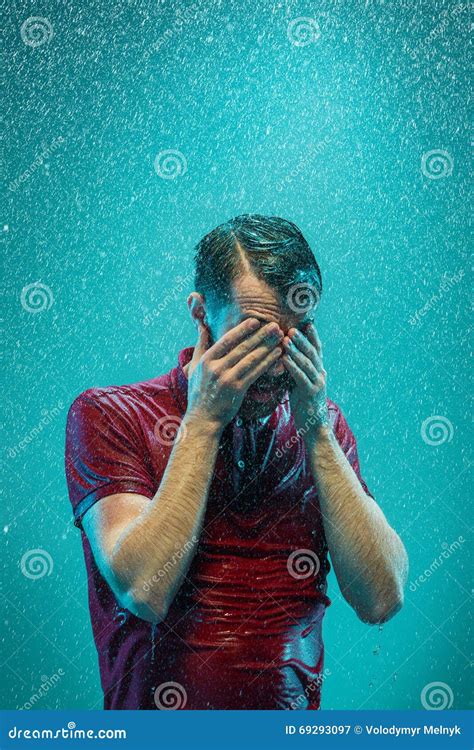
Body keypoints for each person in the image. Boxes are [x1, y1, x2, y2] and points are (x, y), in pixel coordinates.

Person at [65, 214, 408, 710]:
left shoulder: (323, 427)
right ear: (201, 313)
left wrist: (316, 430)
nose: (275, 361)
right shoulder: (110, 415)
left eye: (295, 337)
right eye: (255, 336)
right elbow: (143, 589)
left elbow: (382, 598)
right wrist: (203, 421)